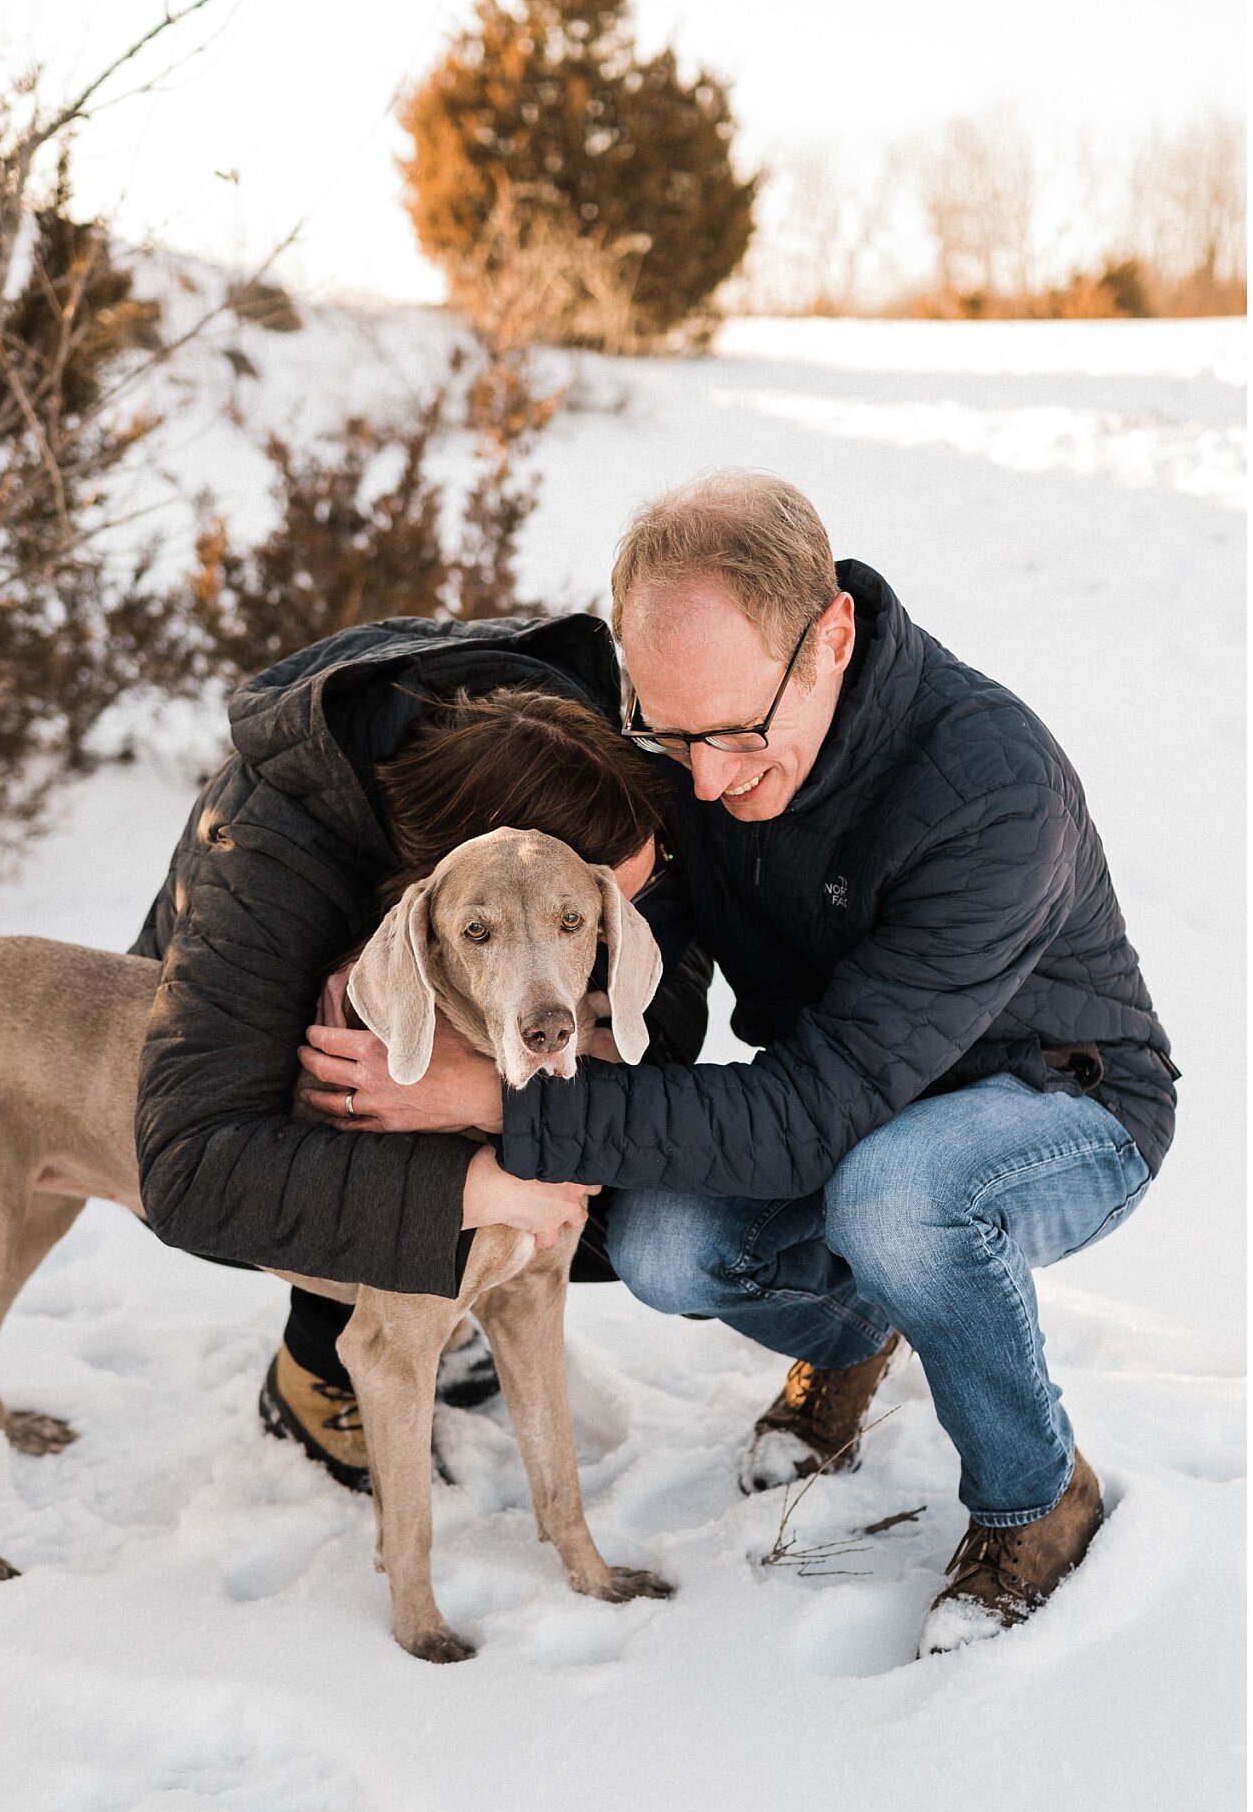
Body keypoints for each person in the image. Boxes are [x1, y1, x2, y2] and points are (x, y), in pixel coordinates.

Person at [302, 472, 1178, 1655]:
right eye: (670, 734)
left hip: (1057, 1104)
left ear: (829, 640)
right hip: (857, 1105)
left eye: (732, 736)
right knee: (666, 1240)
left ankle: (1037, 1497)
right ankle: (860, 1339)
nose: (702, 780)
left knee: (904, 1199)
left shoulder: (989, 792)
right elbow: (654, 995)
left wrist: (488, 1100)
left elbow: (810, 1118)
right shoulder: (700, 746)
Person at [129, 615, 710, 1489]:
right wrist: (467, 1185)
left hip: (476, 1005)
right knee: (351, 1076)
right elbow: (191, 1166)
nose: (637, 903)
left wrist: (496, 1093)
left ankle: (459, 1297)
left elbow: (665, 1004)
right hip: (286, 1047)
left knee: (617, 1159)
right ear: (469, 878)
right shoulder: (271, 847)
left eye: (602, 909)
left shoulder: (613, 793)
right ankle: (321, 1360)